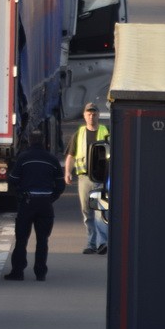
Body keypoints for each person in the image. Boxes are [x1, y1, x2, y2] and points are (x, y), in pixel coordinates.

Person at [4, 129, 65, 281]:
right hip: (45, 204)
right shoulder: (52, 159)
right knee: (42, 240)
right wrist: (51, 198)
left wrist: (19, 192)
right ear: (43, 140)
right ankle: (40, 272)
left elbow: (12, 179)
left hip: (27, 202)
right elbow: (60, 184)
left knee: (21, 239)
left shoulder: (23, 158)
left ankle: (17, 272)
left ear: (30, 141)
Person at [65, 102, 110, 255]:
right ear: (84, 116)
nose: (92, 116)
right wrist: (67, 172)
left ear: (98, 115)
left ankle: (102, 243)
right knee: (87, 212)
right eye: (89, 114)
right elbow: (71, 155)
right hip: (84, 178)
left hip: (101, 178)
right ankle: (91, 243)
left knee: (100, 210)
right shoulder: (80, 133)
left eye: (94, 113)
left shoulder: (105, 131)